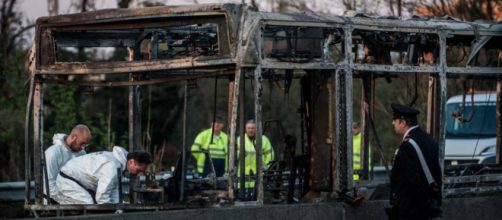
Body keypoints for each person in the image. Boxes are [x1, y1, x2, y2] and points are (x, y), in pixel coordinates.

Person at [389, 103, 442, 220]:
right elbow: (437, 174)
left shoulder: (407, 146)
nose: (393, 123)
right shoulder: (429, 140)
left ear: (403, 123)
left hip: (411, 210)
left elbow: (413, 180)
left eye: (395, 120)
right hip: (427, 208)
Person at [55, 146, 151, 204]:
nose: (138, 174)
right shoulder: (112, 167)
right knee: (88, 204)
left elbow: (113, 192)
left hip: (76, 180)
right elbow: (102, 197)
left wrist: (118, 208)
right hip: (67, 180)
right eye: (138, 170)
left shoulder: (119, 165)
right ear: (131, 162)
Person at [44, 124, 90, 203]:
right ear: (73, 137)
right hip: (53, 203)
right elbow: (49, 186)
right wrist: (68, 201)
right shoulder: (53, 153)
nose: (83, 147)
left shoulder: (82, 154)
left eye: (85, 144)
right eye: (82, 143)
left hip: (75, 201)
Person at [237, 120, 274, 189]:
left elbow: (270, 156)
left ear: (256, 129)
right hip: (242, 176)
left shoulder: (264, 140)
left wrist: (266, 169)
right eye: (249, 128)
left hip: (259, 176)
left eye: (253, 128)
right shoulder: (239, 140)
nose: (250, 130)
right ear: (245, 129)